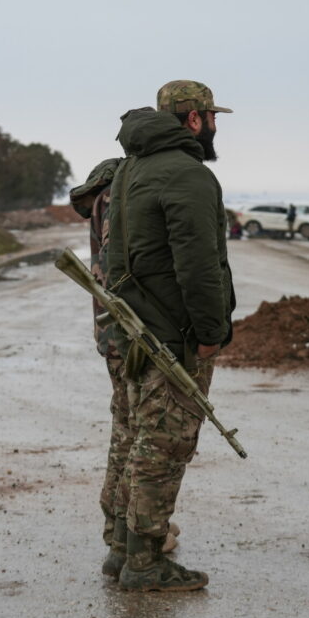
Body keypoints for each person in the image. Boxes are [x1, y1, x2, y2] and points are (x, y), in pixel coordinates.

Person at [104, 80, 236, 591]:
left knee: (138, 439)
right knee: (164, 448)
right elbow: (200, 267)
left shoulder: (130, 168)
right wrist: (209, 333)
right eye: (212, 117)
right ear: (196, 119)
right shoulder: (189, 175)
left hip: (137, 330)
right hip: (173, 337)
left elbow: (117, 257)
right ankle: (145, 562)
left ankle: (121, 549)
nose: (216, 127)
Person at [67, 159, 181, 581]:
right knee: (139, 438)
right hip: (127, 336)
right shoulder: (120, 194)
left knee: (126, 432)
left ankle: (119, 532)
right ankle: (128, 534)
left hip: (111, 335)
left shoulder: (105, 193)